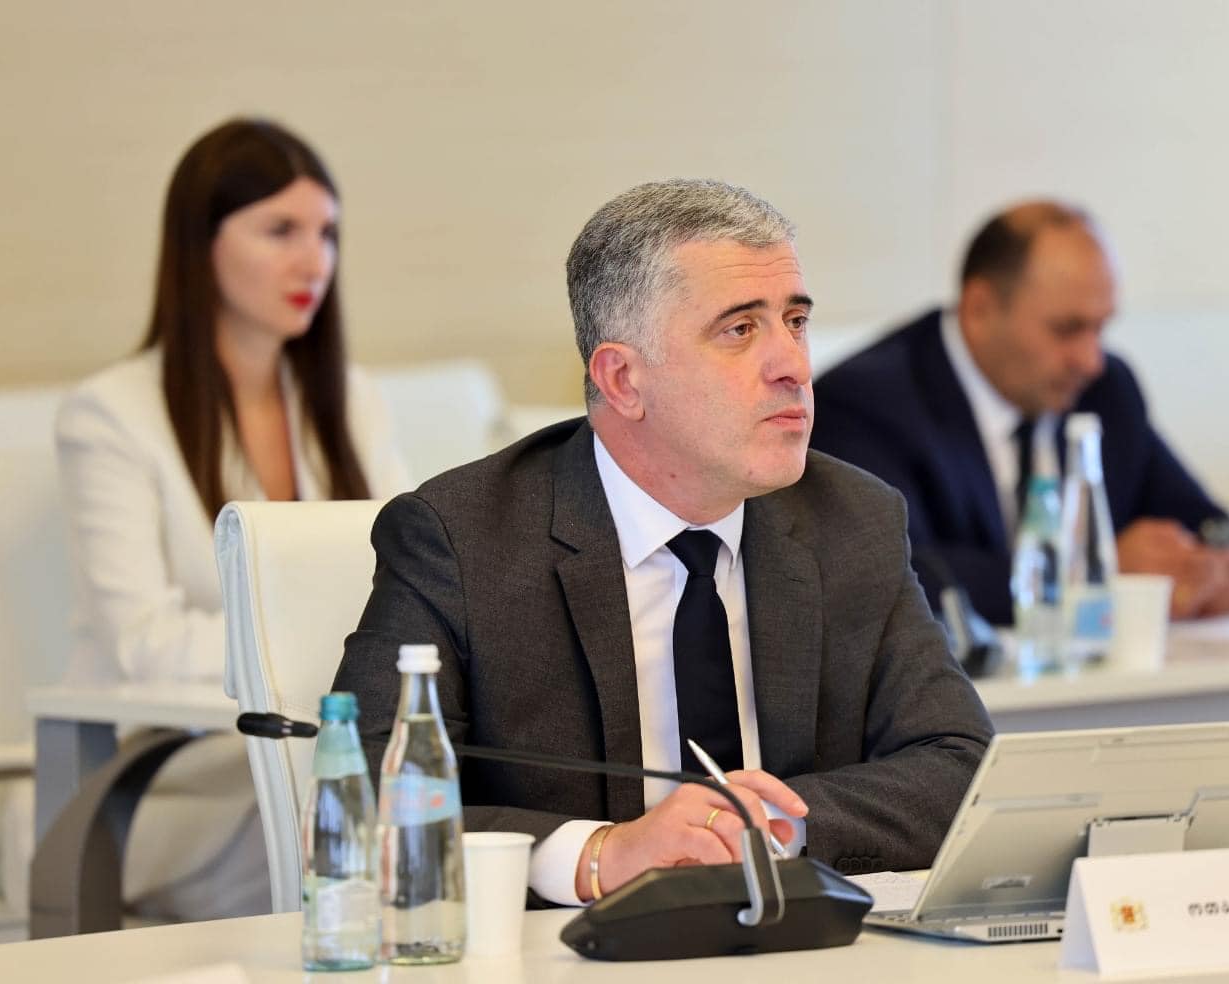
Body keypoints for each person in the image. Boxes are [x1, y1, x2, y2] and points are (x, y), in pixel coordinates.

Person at [332, 178, 993, 906]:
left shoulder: (852, 520)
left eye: (795, 321)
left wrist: (768, 826)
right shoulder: (462, 540)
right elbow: (366, 801)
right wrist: (601, 855)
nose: (795, 366)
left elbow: (960, 766)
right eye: (740, 329)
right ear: (622, 379)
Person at [54, 119, 410, 919]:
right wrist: (316, 649)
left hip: (320, 738)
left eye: (327, 233)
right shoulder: (110, 415)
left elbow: (414, 581)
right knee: (352, 811)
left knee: (421, 785)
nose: (314, 261)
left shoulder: (351, 399)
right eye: (280, 230)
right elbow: (143, 640)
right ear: (200, 244)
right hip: (165, 776)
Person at [811, 200, 1229, 626]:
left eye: (1100, 328)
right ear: (980, 309)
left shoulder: (1106, 391)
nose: (1090, 360)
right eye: (1067, 329)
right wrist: (1088, 574)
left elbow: (1213, 525)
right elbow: (891, 578)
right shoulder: (865, 404)